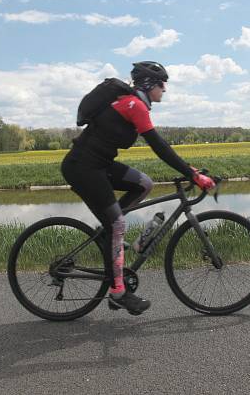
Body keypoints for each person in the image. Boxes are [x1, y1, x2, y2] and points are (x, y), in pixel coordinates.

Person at [61, 61, 215, 315]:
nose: (165, 89)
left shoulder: (134, 104)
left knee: (144, 184)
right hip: (82, 168)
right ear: (149, 84)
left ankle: (107, 231)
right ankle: (118, 293)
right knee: (118, 225)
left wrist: (192, 171)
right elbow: (159, 146)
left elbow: (158, 146)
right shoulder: (134, 105)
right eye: (162, 83)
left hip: (99, 165)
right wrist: (191, 174)